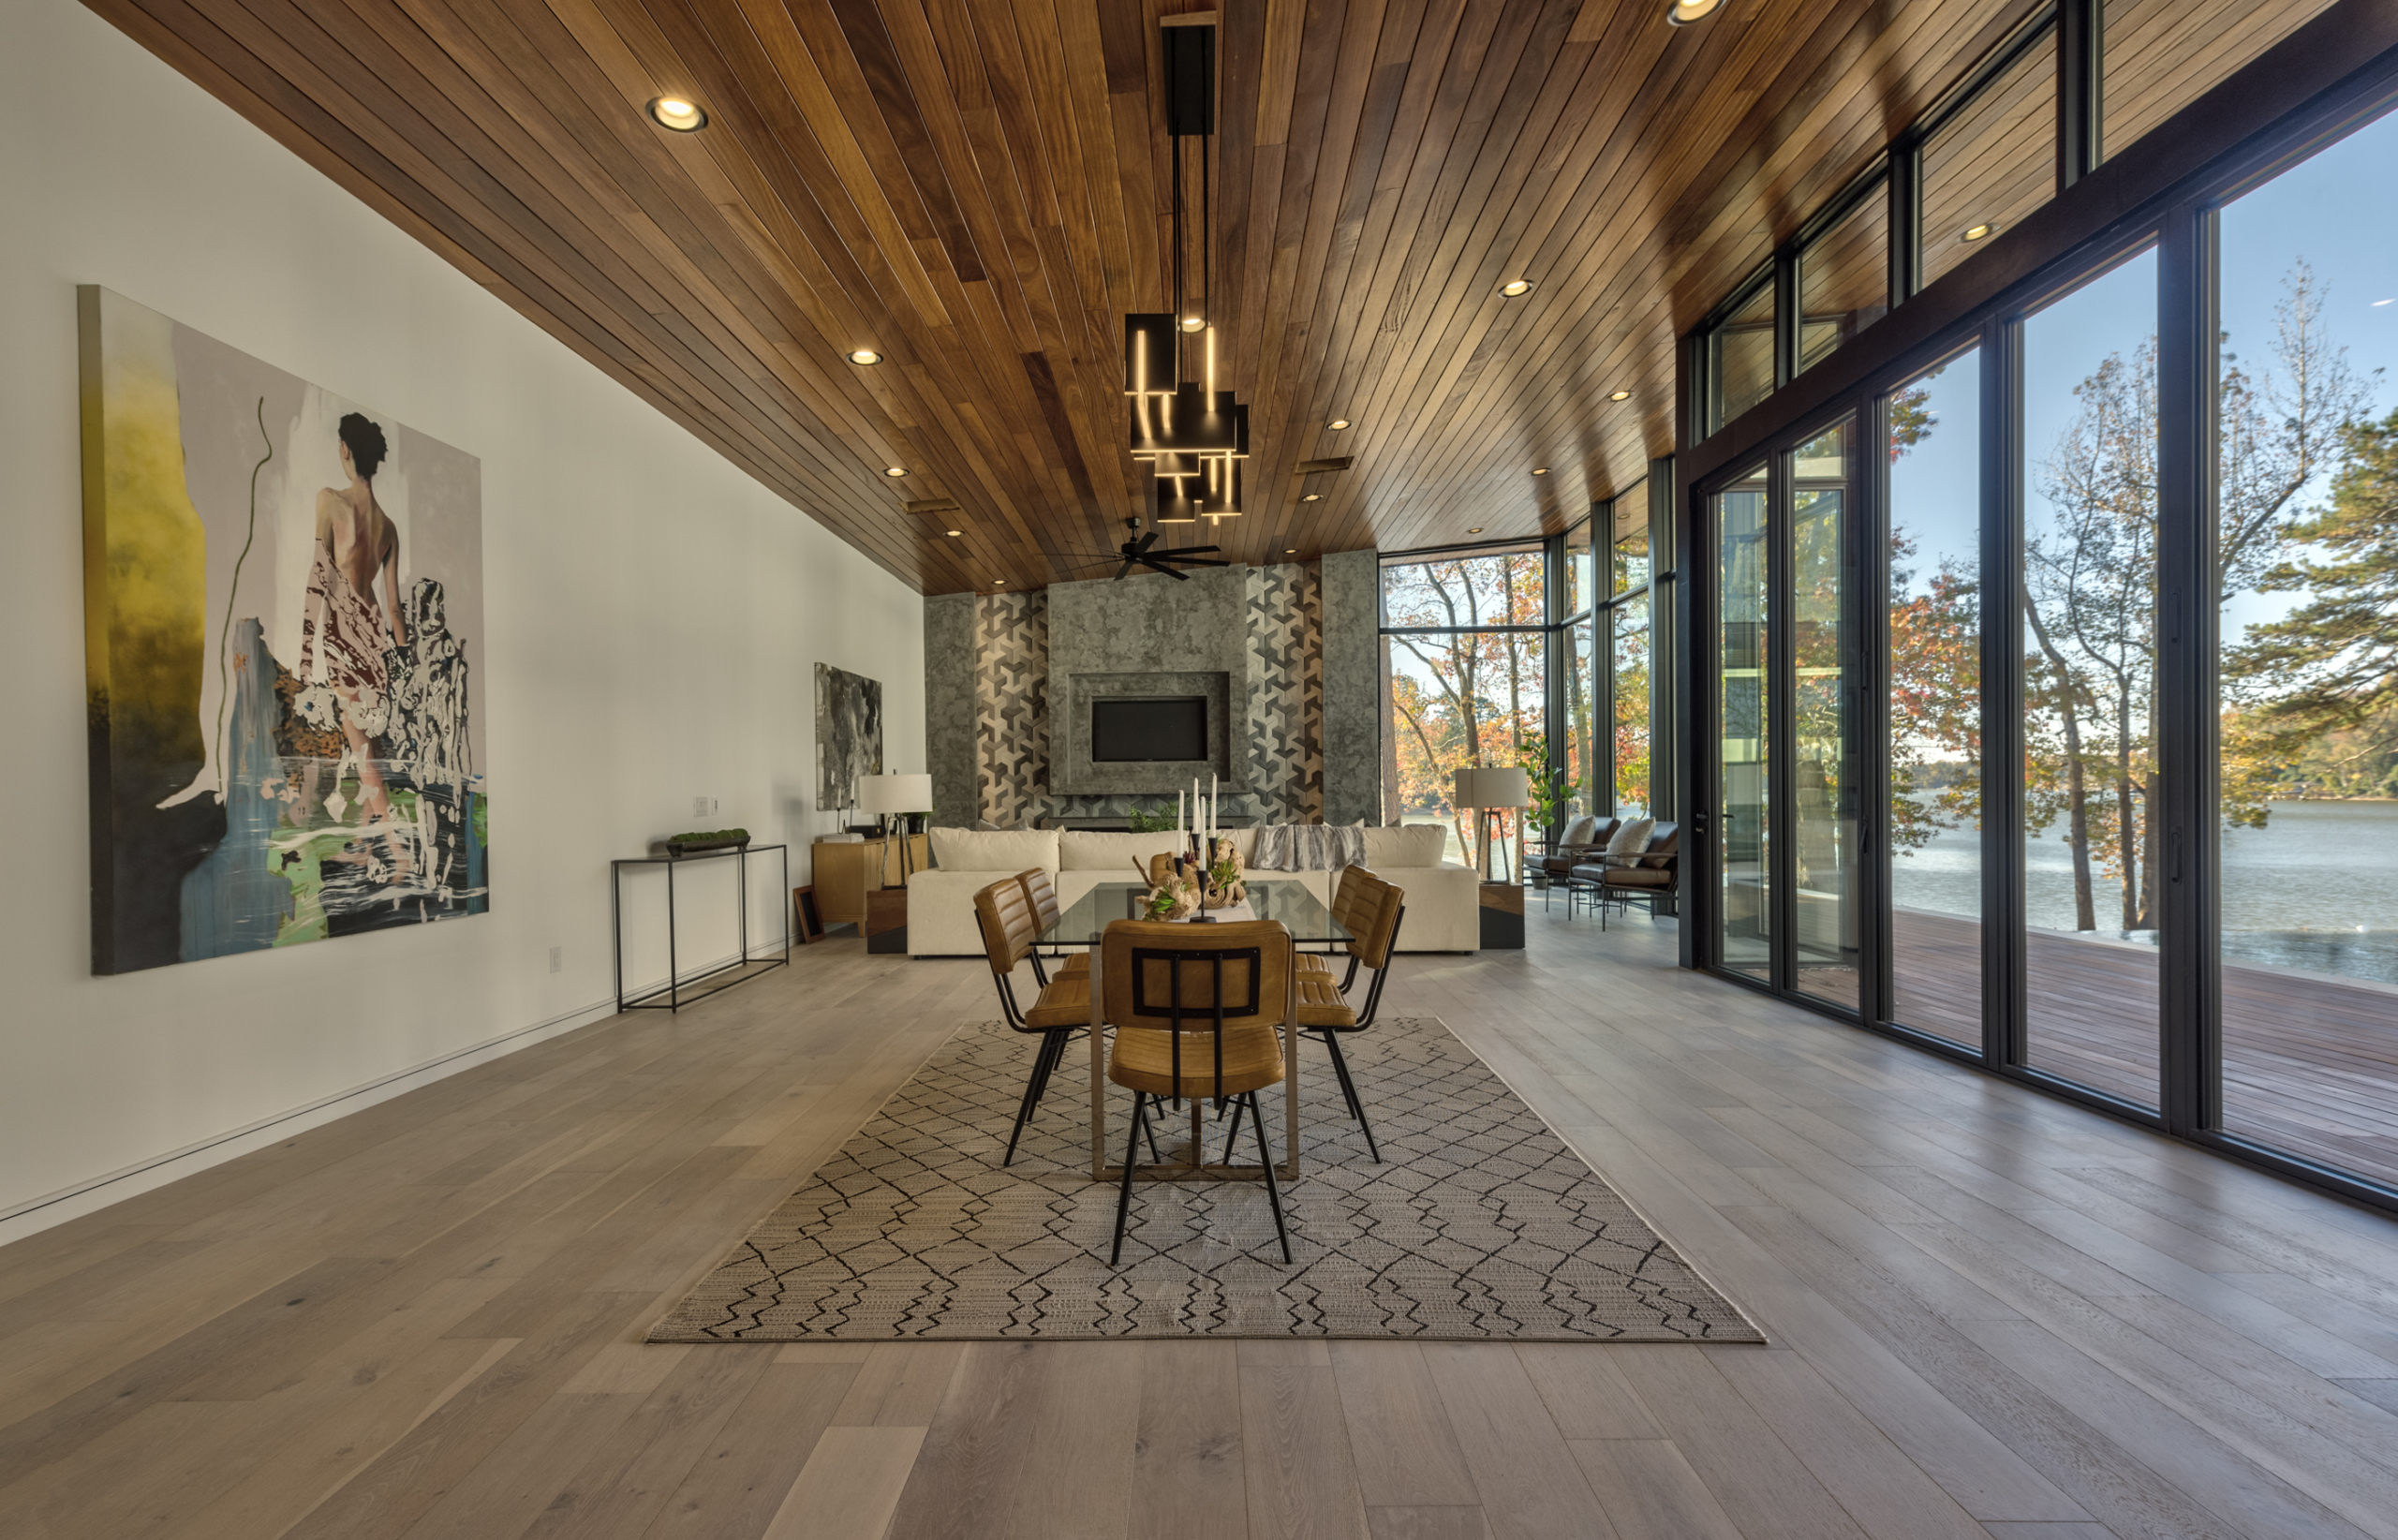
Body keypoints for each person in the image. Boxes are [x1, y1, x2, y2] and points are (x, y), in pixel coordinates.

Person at [297, 412, 408, 873]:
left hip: (343, 641)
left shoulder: (330, 502)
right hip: (376, 643)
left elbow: (318, 580)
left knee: (361, 750)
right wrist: (406, 663)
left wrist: (305, 654)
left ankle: (399, 853)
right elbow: (396, 608)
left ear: (345, 450)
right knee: (370, 749)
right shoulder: (387, 526)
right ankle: (365, 847)